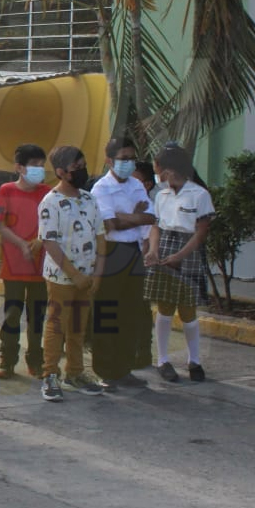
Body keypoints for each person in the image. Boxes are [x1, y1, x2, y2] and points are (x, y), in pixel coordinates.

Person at [37, 146, 107, 402]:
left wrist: (97, 274)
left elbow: (100, 237)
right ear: (61, 172)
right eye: (77, 168)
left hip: (88, 276)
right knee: (57, 325)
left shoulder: (89, 199)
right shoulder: (50, 202)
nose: (82, 172)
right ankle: (50, 374)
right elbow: (49, 242)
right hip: (61, 277)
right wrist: (74, 274)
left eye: (83, 166)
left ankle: (75, 372)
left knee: (78, 325)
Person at [144, 145, 215, 383]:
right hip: (165, 248)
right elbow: (156, 226)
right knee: (164, 308)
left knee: (187, 309)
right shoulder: (161, 195)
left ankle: (194, 361)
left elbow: (200, 233)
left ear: (169, 170)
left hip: (188, 253)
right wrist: (153, 250)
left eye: (158, 171)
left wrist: (180, 256)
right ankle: (163, 360)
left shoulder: (199, 195)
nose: (157, 177)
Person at [89, 138, 155, 390]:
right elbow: (109, 224)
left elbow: (150, 216)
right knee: (107, 312)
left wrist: (127, 217)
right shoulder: (101, 189)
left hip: (134, 250)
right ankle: (105, 370)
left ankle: (123, 368)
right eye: (123, 158)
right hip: (111, 250)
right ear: (109, 160)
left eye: (131, 158)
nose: (128, 163)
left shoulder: (137, 185)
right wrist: (135, 216)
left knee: (131, 312)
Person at [0, 144, 51, 380]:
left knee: (37, 316)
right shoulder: (6, 190)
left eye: (41, 165)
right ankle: (7, 359)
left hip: (40, 266)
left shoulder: (48, 192)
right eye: (34, 165)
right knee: (11, 314)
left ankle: (35, 359)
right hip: (13, 266)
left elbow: (52, 222)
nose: (39, 170)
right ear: (19, 167)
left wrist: (38, 242)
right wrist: (22, 244)